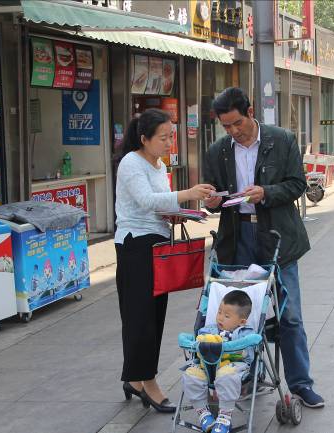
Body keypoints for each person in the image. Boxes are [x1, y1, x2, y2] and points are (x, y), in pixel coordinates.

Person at [203, 87, 324, 408]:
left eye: (237, 123)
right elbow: (215, 195)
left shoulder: (281, 140)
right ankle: (246, 377)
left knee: (290, 314)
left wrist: (266, 193)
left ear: (250, 112)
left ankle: (301, 384)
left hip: (276, 236)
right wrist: (212, 200)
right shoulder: (218, 151)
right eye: (226, 126)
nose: (233, 131)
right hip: (237, 237)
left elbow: (297, 184)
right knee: (239, 316)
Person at [115, 108, 215, 413]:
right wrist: (187, 194)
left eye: (171, 136)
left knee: (155, 316)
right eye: (163, 137)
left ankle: (135, 379)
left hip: (157, 242)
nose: (169, 143)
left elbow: (158, 205)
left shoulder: (159, 165)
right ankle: (148, 383)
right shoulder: (131, 163)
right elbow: (146, 201)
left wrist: (179, 213)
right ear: (144, 138)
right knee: (141, 318)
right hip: (135, 245)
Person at [182, 290, 255, 433]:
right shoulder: (209, 329)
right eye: (219, 312)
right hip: (206, 365)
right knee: (191, 374)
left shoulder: (245, 333)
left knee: (227, 375)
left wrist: (232, 347)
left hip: (233, 366)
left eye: (227, 316)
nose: (220, 317)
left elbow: (248, 353)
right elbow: (199, 340)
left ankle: (224, 418)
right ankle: (203, 413)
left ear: (242, 322)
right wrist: (199, 342)